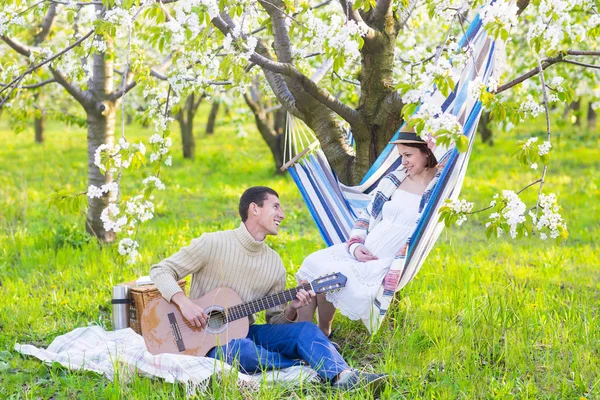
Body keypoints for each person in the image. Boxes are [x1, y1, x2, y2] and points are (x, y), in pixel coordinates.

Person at [150, 186, 387, 393]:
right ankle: (308, 360)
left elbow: (276, 321)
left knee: (304, 330)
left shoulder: (274, 264)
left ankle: (343, 377)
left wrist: (293, 308)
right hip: (204, 339)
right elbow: (161, 270)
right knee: (242, 351)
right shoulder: (212, 243)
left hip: (246, 330)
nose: (282, 215)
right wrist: (185, 303)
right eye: (275, 207)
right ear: (254, 209)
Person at [296, 132, 439, 336]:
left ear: (426, 152)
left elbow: (452, 158)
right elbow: (366, 216)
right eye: (400, 156)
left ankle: (319, 333)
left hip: (384, 261)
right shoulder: (395, 179)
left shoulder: (437, 187)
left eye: (408, 155)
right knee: (314, 265)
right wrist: (355, 247)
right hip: (362, 252)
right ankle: (307, 335)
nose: (403, 162)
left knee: (334, 277)